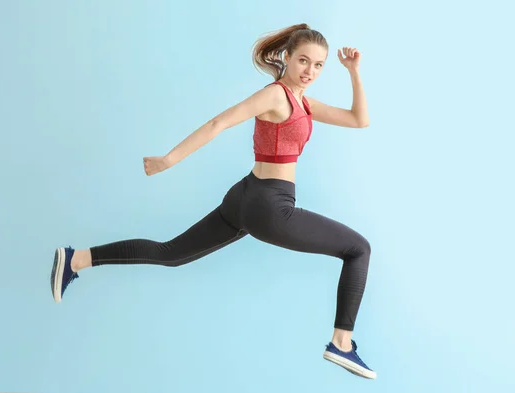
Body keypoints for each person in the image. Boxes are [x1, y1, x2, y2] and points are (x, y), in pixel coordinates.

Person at [50, 23, 377, 379]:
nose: (310, 71)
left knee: (170, 253)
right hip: (270, 206)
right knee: (358, 249)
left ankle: (76, 259)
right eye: (303, 61)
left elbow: (360, 120)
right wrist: (168, 160)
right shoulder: (276, 96)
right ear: (287, 57)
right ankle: (341, 343)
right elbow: (219, 122)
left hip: (245, 198)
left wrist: (354, 73)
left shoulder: (305, 102)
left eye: (318, 65)